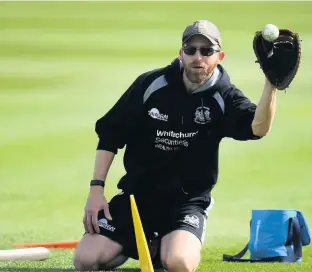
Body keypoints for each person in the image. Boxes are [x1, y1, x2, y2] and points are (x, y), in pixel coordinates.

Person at [73, 19, 278, 272]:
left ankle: (169, 245)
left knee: (179, 263)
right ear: (181, 53)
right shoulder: (150, 85)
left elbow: (259, 128)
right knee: (86, 260)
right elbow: (110, 134)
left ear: (220, 56)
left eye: (206, 51)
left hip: (186, 203)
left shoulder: (224, 97)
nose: (197, 56)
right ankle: (149, 245)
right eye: (190, 50)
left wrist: (271, 83)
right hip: (137, 200)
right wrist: (96, 191)